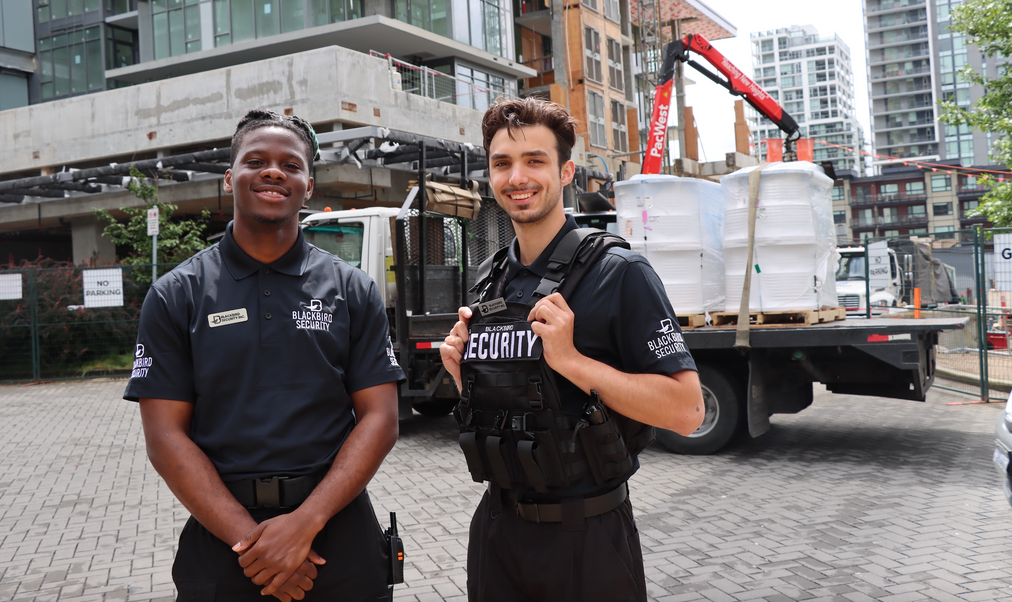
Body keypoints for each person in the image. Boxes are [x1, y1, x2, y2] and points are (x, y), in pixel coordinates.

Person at [124, 109, 404, 602]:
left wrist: (305, 523)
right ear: (230, 178)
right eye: (256, 161)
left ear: (309, 185)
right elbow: (165, 437)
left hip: (338, 535)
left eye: (291, 165)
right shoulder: (176, 295)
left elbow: (380, 419)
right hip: (224, 542)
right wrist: (251, 544)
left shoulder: (351, 289)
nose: (274, 172)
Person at [439, 97, 705, 602]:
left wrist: (574, 362)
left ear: (565, 172)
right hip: (497, 533)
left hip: (586, 541)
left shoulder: (621, 274)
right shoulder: (488, 280)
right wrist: (463, 373)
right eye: (502, 163)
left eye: (534, 161)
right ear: (490, 176)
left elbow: (688, 411)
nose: (517, 177)